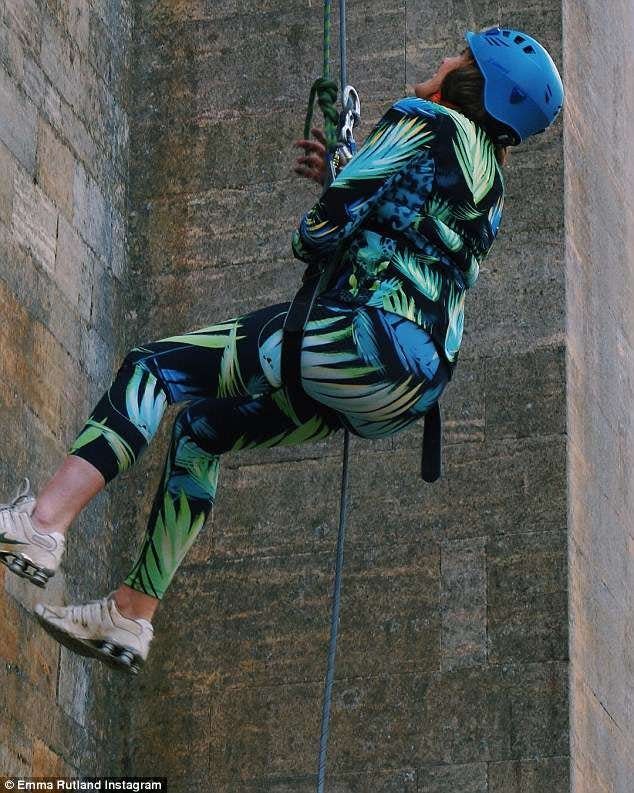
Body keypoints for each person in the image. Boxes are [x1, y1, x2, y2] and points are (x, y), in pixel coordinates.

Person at [0, 25, 563, 674]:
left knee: (155, 369)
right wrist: (346, 176)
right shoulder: (488, 178)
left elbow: (328, 225)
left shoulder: (427, 119)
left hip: (363, 340)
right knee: (203, 434)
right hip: (409, 389)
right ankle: (130, 613)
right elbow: (408, 227)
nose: (443, 58)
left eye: (459, 57)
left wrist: (326, 206)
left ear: (470, 80)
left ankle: (42, 525)